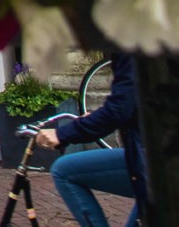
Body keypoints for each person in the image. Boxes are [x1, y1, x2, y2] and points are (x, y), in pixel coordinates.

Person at [34, 55, 146, 227]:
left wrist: (62, 134)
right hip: (170, 159)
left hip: (158, 165)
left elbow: (120, 109)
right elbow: (136, 102)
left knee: (64, 172)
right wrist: (96, 119)